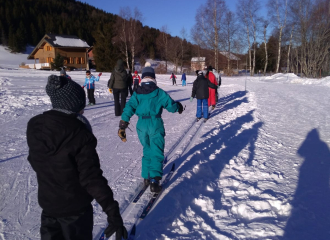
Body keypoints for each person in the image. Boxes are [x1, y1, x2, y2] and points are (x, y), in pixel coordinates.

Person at [26, 75, 128, 240]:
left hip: (49, 207)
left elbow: (35, 160)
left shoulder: (34, 126)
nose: (83, 110)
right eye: (81, 106)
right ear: (72, 105)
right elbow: (91, 178)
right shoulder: (79, 132)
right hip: (75, 214)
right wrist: (112, 213)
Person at [117, 62, 184, 193]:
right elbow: (171, 106)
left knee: (147, 150)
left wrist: (123, 124)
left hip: (141, 125)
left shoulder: (137, 93)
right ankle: (154, 180)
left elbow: (129, 107)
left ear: (143, 78)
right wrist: (179, 107)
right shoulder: (159, 92)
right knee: (157, 151)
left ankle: (146, 177)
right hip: (155, 124)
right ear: (153, 77)